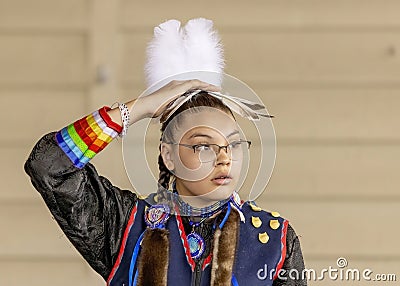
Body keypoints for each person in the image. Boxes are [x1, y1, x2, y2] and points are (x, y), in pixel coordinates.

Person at [24, 19, 307, 286]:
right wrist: (141, 107)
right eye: (203, 146)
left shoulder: (274, 240)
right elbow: (49, 165)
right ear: (169, 155)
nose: (225, 157)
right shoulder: (128, 225)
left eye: (233, 144)